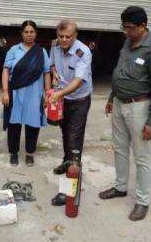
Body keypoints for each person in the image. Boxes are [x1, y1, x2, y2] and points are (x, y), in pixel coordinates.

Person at [99, 6, 151, 221]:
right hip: (119, 103)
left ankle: (142, 201)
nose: (125, 32)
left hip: (139, 107)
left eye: (129, 28)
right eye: (123, 27)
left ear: (143, 26)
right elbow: (121, 71)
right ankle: (120, 187)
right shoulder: (128, 42)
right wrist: (112, 97)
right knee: (119, 148)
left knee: (142, 157)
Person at [49, 19, 92, 206]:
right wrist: (54, 73)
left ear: (75, 36)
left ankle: (69, 193)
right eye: (61, 36)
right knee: (65, 134)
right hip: (64, 99)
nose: (64, 40)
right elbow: (52, 64)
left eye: (68, 37)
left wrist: (59, 93)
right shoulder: (55, 46)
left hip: (79, 100)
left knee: (75, 143)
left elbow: (78, 81)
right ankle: (66, 163)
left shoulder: (84, 52)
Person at [1, 20, 51, 166]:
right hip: (15, 93)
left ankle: (29, 153)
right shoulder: (14, 50)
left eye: (32, 32)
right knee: (14, 124)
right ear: (21, 34)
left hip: (34, 94)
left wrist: (47, 93)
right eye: (26, 32)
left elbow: (46, 72)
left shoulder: (41, 51)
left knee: (33, 124)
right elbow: (6, 70)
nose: (29, 35)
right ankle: (14, 153)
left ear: (36, 33)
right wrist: (5, 92)